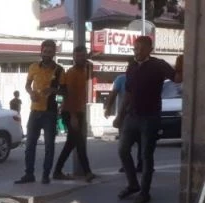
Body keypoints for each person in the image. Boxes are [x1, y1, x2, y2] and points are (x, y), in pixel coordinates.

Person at [113, 36, 182, 203]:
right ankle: (132, 185)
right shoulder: (132, 66)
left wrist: (182, 64)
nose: (137, 52)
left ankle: (144, 192)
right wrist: (120, 115)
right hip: (132, 116)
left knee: (146, 156)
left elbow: (177, 79)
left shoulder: (158, 64)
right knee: (122, 150)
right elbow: (128, 93)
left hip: (150, 117)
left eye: (140, 49)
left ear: (149, 49)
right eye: (135, 49)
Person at [15, 39, 65, 185]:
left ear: (54, 53)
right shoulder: (33, 67)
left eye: (50, 52)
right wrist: (30, 93)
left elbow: (64, 90)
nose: (47, 54)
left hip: (50, 113)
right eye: (45, 51)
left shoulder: (59, 70)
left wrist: (52, 90)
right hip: (34, 111)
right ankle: (29, 174)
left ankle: (45, 175)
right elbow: (27, 85)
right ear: (41, 51)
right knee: (30, 145)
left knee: (49, 146)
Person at [52, 45, 96, 183]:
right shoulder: (71, 73)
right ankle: (87, 172)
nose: (80, 58)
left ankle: (57, 171)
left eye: (82, 55)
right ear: (73, 57)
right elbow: (69, 95)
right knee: (80, 143)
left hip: (79, 111)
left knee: (71, 144)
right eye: (77, 56)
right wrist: (73, 116)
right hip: (71, 112)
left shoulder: (85, 70)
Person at [105, 73, 142, 173]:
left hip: (126, 115)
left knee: (125, 143)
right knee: (141, 142)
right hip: (139, 115)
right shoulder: (141, 77)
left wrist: (108, 108)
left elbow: (114, 93)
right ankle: (141, 165)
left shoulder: (121, 78)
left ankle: (127, 166)